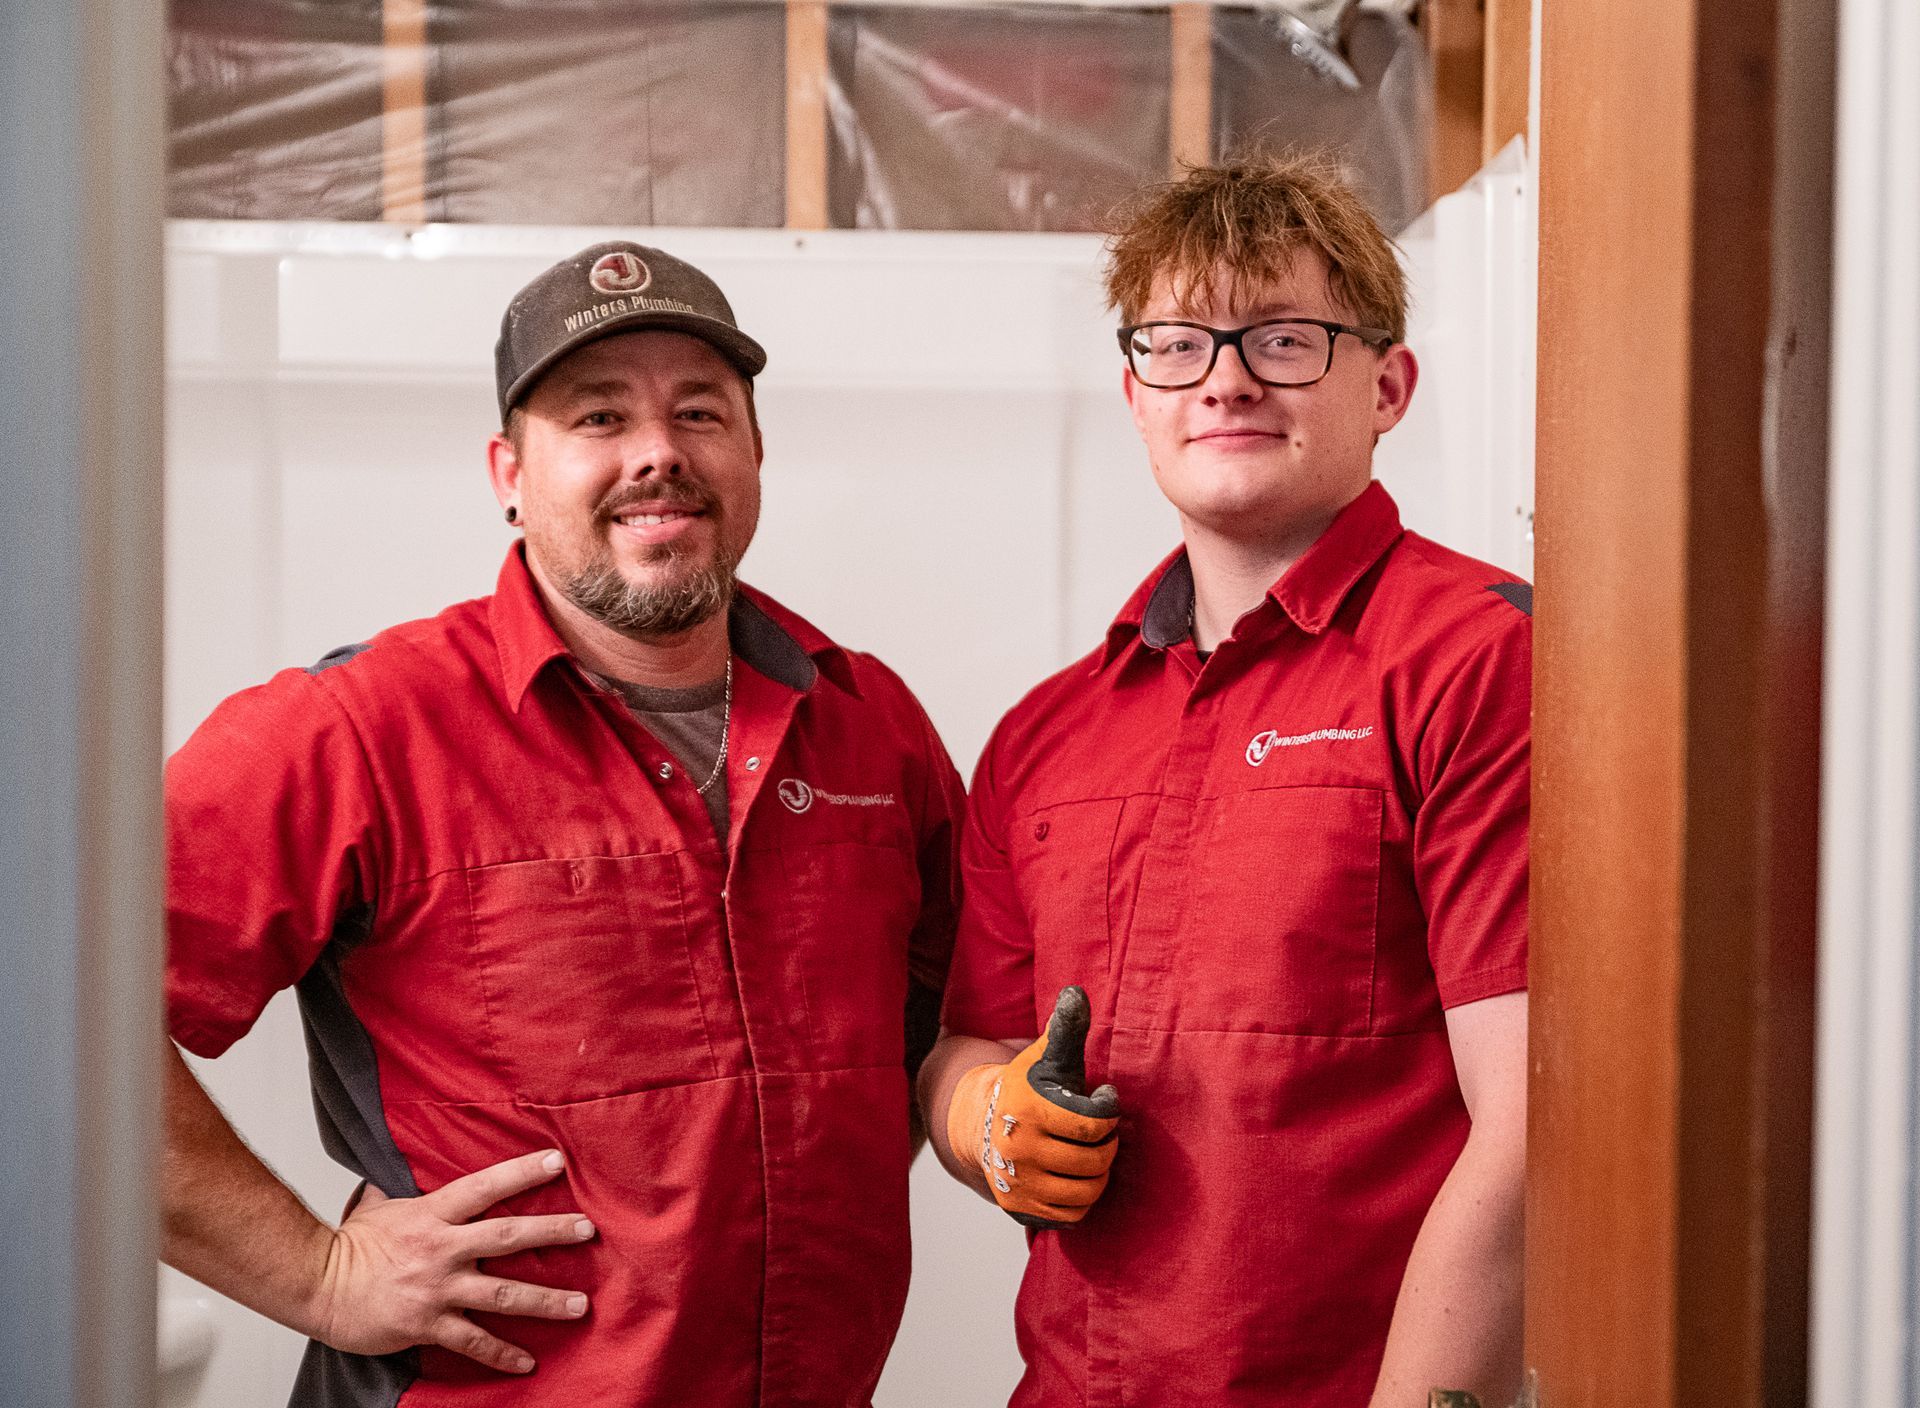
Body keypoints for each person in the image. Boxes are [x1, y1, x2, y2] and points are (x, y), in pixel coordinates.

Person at [162, 241, 964, 1407]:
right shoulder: (361, 730)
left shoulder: (869, 726)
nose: (658, 453)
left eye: (701, 411)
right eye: (598, 416)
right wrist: (320, 1274)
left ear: (753, 453)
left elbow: (934, 1030)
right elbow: (51, 1011)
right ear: (508, 471)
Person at [919, 156, 1530, 1406]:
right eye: (1181, 344)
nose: (1230, 379)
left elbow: (1537, 1128)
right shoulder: (1046, 734)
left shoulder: (1478, 659)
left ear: (1389, 384)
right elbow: (960, 1044)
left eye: (1286, 338)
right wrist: (986, 1119)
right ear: (1137, 392)